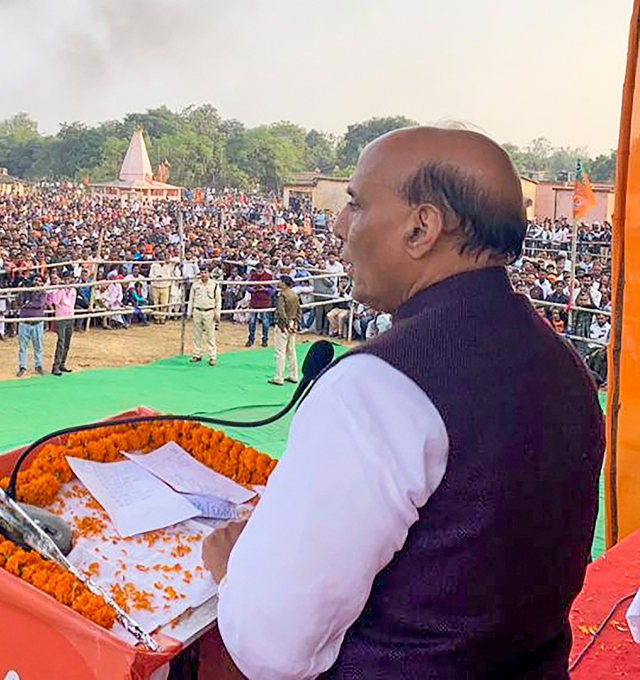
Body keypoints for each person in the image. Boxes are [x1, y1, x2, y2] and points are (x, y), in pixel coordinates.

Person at [206, 127, 603, 678]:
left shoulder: (377, 386)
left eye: (357, 204)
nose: (339, 226)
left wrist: (234, 572)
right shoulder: (567, 366)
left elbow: (273, 648)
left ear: (421, 228)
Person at [269, 275, 300, 386]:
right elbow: (298, 311)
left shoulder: (282, 296)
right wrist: (295, 323)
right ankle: (294, 375)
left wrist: (286, 325)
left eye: (280, 281)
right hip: (292, 323)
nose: (279, 283)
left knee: (280, 351)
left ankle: (279, 377)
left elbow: (281, 313)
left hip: (283, 325)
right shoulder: (294, 295)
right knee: (291, 350)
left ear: (284, 283)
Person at [187, 265, 221, 366]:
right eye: (201, 272)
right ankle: (197, 354)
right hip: (197, 311)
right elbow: (191, 299)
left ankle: (212, 356)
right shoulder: (195, 285)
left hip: (209, 311)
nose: (203, 274)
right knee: (196, 335)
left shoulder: (214, 285)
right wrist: (189, 312)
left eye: (205, 272)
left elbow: (218, 300)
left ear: (209, 273)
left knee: (210, 335)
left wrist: (217, 313)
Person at [47, 268, 75, 376]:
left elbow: (71, 304)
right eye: (66, 279)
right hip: (61, 318)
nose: (68, 281)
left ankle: (62, 363)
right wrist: (60, 289)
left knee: (67, 342)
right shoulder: (59, 290)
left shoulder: (73, 290)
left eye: (69, 278)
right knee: (61, 342)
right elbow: (55, 301)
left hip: (70, 317)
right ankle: (56, 366)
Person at [16, 273, 46, 377]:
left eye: (39, 281)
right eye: (35, 280)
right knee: (22, 347)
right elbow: (19, 303)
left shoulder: (43, 293)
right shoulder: (25, 292)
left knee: (38, 346)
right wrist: (24, 290)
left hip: (37, 323)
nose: (37, 282)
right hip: (24, 322)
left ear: (42, 283)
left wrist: (27, 304)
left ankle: (38, 365)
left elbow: (39, 304)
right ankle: (22, 366)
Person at [246, 262, 272, 347]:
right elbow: (247, 287)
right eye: (258, 270)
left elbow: (273, 289)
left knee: (265, 322)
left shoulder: (269, 276)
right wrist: (252, 289)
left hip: (265, 302)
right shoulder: (252, 276)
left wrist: (265, 289)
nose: (259, 272)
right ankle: (251, 339)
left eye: (260, 270)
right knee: (252, 322)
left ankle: (265, 340)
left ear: (263, 269)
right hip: (254, 301)